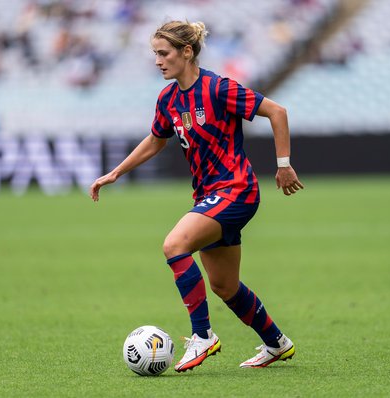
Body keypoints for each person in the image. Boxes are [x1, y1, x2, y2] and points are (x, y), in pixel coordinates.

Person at [89, 20, 304, 372]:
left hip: (236, 190)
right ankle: (276, 343)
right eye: (155, 54)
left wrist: (284, 165)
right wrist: (116, 172)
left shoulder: (218, 89)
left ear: (186, 52)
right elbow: (156, 139)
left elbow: (277, 112)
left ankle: (202, 335)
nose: (158, 61)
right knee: (224, 285)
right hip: (210, 196)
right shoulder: (169, 99)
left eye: (164, 53)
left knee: (174, 245)